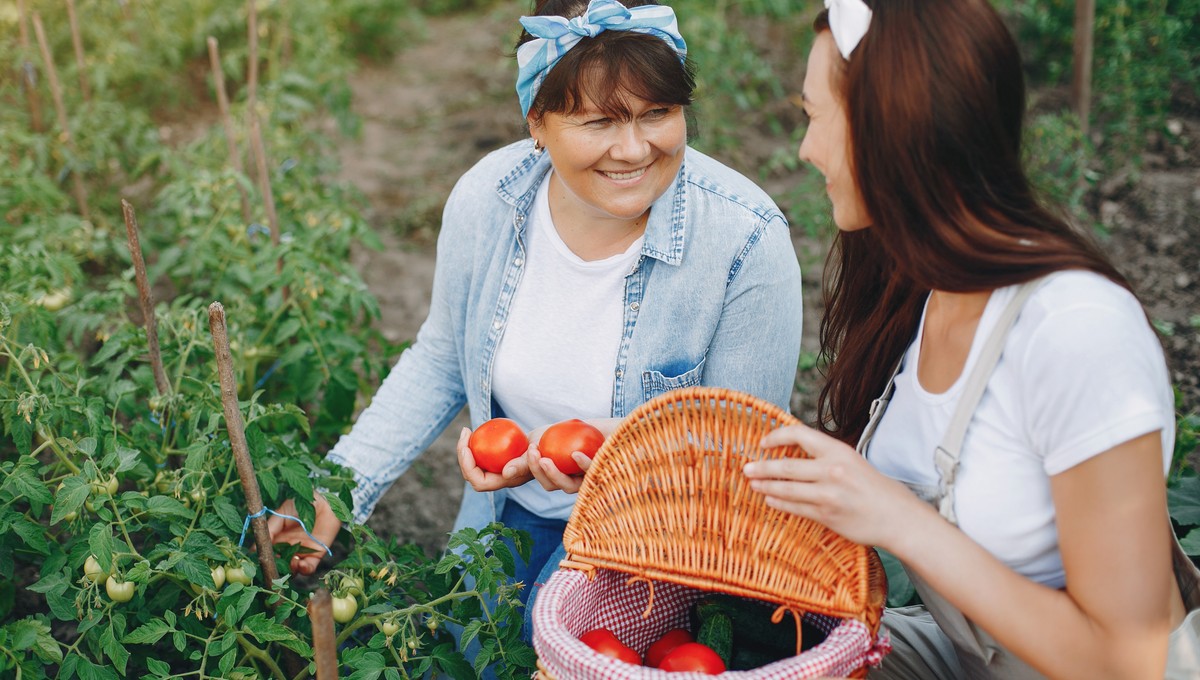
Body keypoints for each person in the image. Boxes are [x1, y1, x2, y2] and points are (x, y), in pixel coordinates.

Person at [270, 0, 804, 610]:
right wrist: (338, 492)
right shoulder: (489, 200)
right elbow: (442, 359)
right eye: (599, 121)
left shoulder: (745, 240)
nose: (633, 149)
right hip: (506, 515)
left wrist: (624, 452)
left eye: (658, 113)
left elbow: (743, 451)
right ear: (537, 121)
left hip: (659, 546)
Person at [742, 0, 1199, 677]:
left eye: (814, 117)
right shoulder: (928, 288)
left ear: (889, 127)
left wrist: (898, 518)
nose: (805, 149)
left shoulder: (1076, 332)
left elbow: (1132, 658)